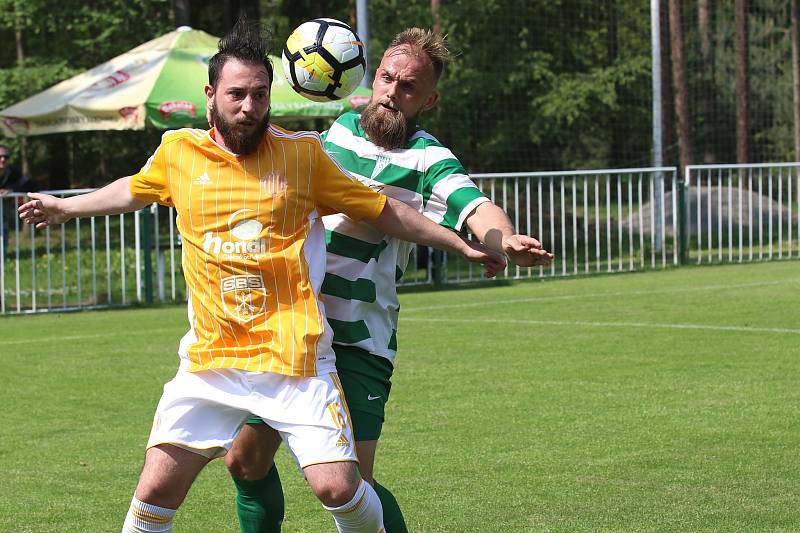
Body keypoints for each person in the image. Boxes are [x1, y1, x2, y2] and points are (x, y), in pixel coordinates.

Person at [18, 19, 505, 533]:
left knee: (346, 484)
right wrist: (66, 207)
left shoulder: (325, 156)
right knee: (220, 469)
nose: (249, 106)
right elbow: (134, 189)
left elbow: (412, 209)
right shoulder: (208, 149)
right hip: (219, 353)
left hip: (327, 341)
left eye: (259, 95)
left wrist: (476, 243)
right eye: (387, 78)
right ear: (211, 96)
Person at [226, 27, 554, 533]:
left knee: (352, 484)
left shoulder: (427, 158)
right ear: (371, 76)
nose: (392, 93)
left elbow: (476, 206)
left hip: (360, 337)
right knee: (245, 461)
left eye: (408, 87)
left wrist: (504, 238)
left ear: (430, 98)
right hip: (295, 329)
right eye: (387, 78)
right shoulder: (333, 135)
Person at [0, 144, 37, 253]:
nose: (3, 159)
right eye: (0, 156)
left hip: (3, 211)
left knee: (3, 228)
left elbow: (30, 184)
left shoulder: (13, 172)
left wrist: (11, 189)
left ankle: (3, 256)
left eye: (6, 157)